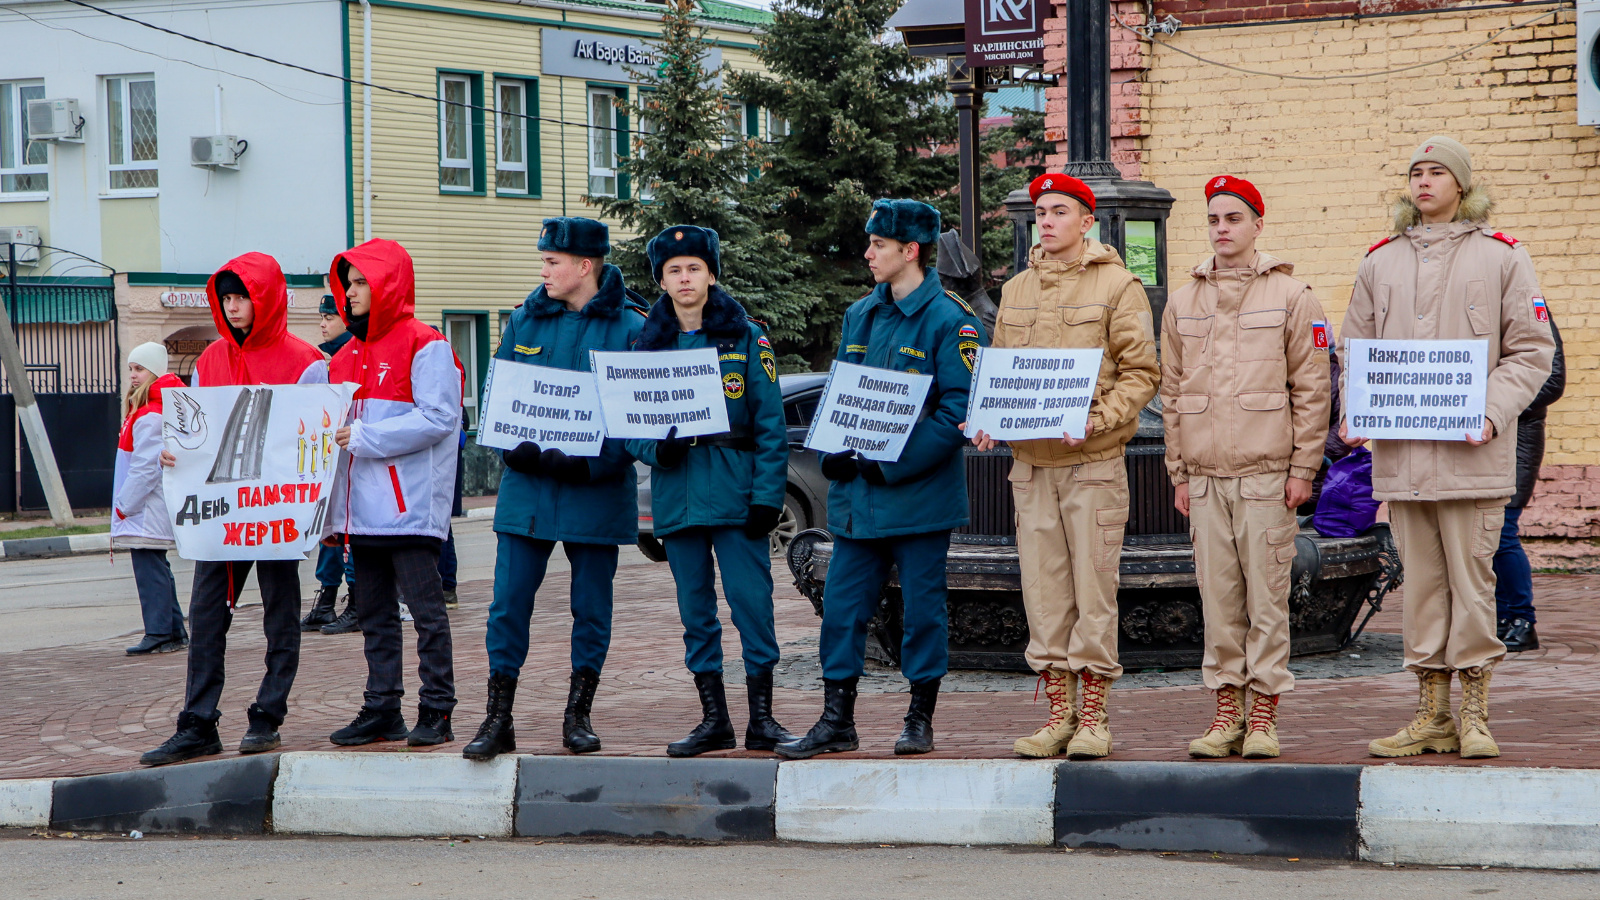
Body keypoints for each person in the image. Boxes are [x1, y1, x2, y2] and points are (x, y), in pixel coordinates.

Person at [1342, 136, 1554, 760]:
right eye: (1416, 172)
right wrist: (1357, 410)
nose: (1425, 181)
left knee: (1473, 584)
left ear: (1462, 185)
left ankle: (1475, 712)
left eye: (1438, 172)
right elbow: (1356, 351)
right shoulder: (1380, 262)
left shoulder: (1502, 258)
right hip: (1405, 461)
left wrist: (1489, 412)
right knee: (1425, 589)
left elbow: (1532, 352)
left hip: (1471, 458)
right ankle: (1431, 714)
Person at [777, 199, 985, 760]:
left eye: (878, 245)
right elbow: (844, 395)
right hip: (857, 503)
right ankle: (835, 720)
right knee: (842, 612)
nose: (867, 254)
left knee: (922, 613)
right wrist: (833, 451)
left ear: (910, 251)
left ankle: (920, 717)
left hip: (918, 500)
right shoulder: (859, 315)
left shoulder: (952, 321)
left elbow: (957, 415)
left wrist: (887, 461)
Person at [967, 175, 1158, 761]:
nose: (1046, 221)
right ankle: (1058, 713)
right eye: (1040, 212)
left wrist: (1099, 419)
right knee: (1043, 593)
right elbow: (1001, 372)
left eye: (1059, 211)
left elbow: (1142, 373)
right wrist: (987, 418)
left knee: (1093, 590)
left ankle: (1094, 715)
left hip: (1092, 465)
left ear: (1086, 221)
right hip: (1031, 467)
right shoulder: (1017, 290)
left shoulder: (1118, 286)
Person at [463, 217, 647, 761]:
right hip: (529, 491)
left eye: (552, 261)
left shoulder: (631, 329)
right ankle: (498, 718)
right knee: (508, 604)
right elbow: (500, 399)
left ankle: (578, 716)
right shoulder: (523, 321)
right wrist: (506, 448)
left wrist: (591, 465)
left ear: (584, 266)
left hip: (594, 491)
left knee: (591, 608)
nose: (543, 270)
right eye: (543, 260)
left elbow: (635, 418)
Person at [1162, 176, 1331, 760]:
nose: (1222, 228)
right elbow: (1172, 391)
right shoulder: (1183, 302)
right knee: (1219, 599)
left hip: (1266, 474)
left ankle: (1263, 714)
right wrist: (1179, 471)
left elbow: (1313, 390)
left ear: (1258, 223)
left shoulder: (1291, 296)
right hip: (1206, 479)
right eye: (1213, 219)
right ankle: (1226, 710)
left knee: (1266, 598)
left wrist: (1304, 467)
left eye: (1233, 218)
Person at [140, 254, 328, 766]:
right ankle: (197, 723)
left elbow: (317, 444)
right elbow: (195, 433)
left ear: (265, 297)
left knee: (280, 613)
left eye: (242, 295)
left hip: (275, 515)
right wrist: (173, 451)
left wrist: (322, 514)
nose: (233, 306)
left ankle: (268, 715)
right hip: (222, 516)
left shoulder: (306, 362)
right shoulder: (209, 361)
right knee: (205, 616)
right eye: (226, 297)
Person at [627, 224, 794, 757]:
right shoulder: (646, 346)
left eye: (693, 267)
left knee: (752, 606)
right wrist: (658, 451)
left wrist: (768, 496)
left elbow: (770, 425)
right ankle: (713, 719)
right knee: (695, 612)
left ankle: (763, 719)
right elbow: (629, 425)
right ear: (661, 280)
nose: (684, 278)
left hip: (737, 496)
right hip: (678, 498)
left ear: (711, 273)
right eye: (673, 270)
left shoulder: (747, 337)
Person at [324, 238, 464, 748]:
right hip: (361, 514)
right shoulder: (343, 356)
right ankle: (383, 708)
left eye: (362, 282)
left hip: (407, 512)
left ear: (387, 285)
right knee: (375, 617)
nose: (352, 292)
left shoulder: (425, 343)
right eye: (349, 283)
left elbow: (441, 418)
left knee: (427, 614)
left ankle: (437, 711)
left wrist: (366, 437)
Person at [114, 342, 189, 656]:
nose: (133, 375)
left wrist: (123, 507)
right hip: (151, 505)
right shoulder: (151, 409)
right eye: (131, 368)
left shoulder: (149, 415)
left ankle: (159, 632)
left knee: (149, 569)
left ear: (155, 372)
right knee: (158, 567)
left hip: (146, 507)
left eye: (140, 369)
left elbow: (144, 469)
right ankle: (173, 630)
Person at [1496, 317, 1564, 652]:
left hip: (1517, 441)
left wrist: (1493, 404)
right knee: (1486, 533)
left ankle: (1522, 621)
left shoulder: (1532, 313)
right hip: (1483, 442)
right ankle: (1498, 619)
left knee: (1503, 530)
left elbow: (1552, 382)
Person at [304, 294, 359, 634]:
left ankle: (357, 602)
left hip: (354, 459)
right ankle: (326, 600)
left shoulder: (358, 354)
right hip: (326, 460)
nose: (323, 324)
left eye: (330, 316)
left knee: (349, 534)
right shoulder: (320, 364)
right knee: (329, 534)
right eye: (321, 317)